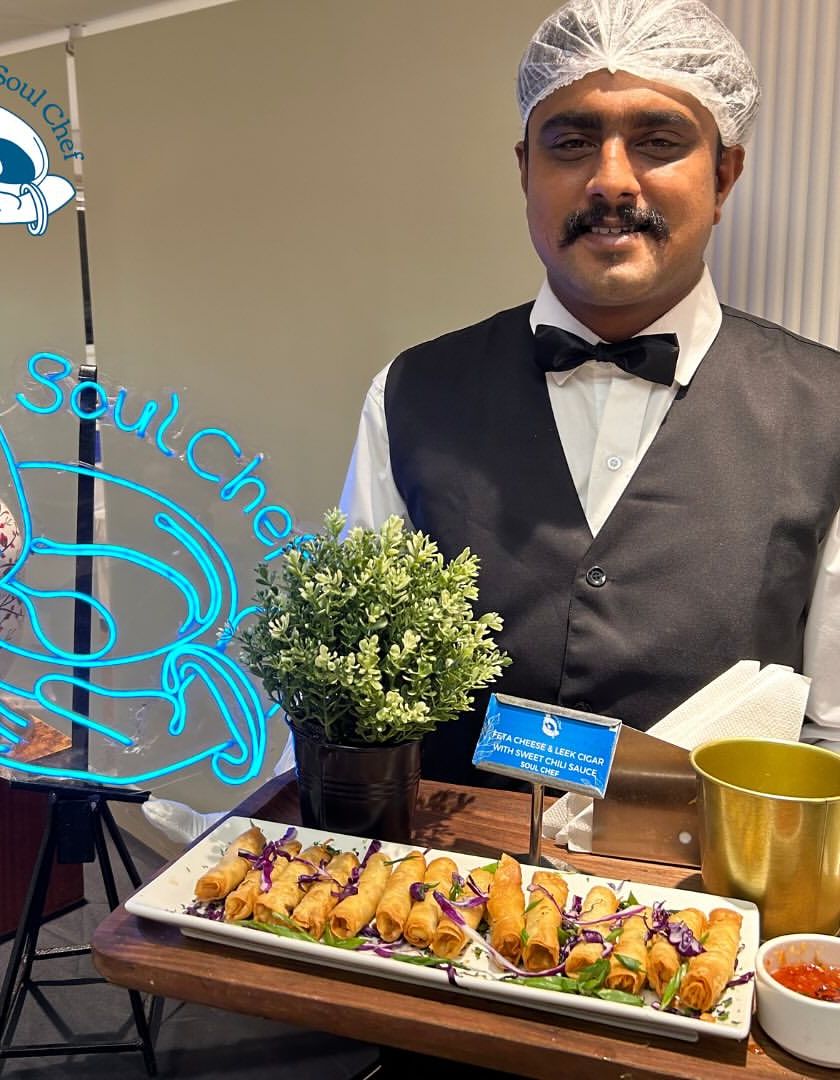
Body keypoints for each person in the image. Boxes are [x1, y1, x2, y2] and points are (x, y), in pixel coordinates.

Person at [341, 0, 840, 787]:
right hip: (439, 862)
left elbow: (831, 733)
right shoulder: (409, 394)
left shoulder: (827, 411)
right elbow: (348, 699)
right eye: (571, 143)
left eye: (658, 141)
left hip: (709, 867)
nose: (610, 179)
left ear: (723, 176)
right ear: (525, 171)